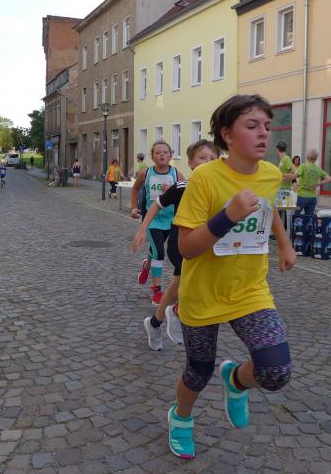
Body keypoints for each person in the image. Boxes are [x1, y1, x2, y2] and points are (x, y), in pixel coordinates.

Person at [167, 94, 295, 460]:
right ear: (227, 134)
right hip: (203, 293)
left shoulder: (270, 174)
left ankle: (235, 379)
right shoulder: (204, 178)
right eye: (251, 126)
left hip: (249, 289)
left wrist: (284, 243)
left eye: (267, 126)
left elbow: (267, 209)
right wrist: (228, 216)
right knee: (198, 371)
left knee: (276, 370)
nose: (263, 133)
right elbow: (186, 248)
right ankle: (181, 417)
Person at [132, 140, 219, 351]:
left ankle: (155, 323)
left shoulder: (218, 189)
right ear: (191, 163)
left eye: (212, 158)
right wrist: (142, 229)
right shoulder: (182, 187)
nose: (207, 162)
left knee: (174, 289)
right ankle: (177, 310)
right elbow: (156, 205)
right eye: (202, 158)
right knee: (192, 282)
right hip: (180, 244)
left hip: (204, 246)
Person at [130, 141, 185, 304]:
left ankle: (147, 265)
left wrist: (173, 189)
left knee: (155, 250)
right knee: (160, 252)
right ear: (152, 157)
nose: (162, 154)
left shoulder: (176, 173)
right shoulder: (145, 173)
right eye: (158, 152)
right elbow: (135, 189)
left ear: (171, 156)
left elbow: (186, 193)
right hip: (152, 220)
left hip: (171, 220)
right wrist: (134, 208)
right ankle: (157, 291)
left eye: (165, 152)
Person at [293, 148, 331, 216]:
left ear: (307, 157)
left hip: (302, 196)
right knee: (309, 218)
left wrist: (284, 176)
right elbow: (329, 178)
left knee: (296, 217)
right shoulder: (318, 169)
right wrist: (318, 184)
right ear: (316, 158)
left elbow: (294, 176)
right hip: (313, 198)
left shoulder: (303, 166)